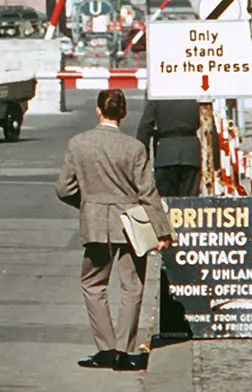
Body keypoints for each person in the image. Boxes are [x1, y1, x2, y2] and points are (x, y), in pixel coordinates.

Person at [55, 88, 173, 372]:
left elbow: (63, 188)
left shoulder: (78, 143)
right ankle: (124, 349)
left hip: (95, 221)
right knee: (132, 286)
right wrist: (162, 230)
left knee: (93, 284)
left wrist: (87, 203)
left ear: (98, 111)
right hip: (130, 223)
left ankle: (105, 348)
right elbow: (148, 192)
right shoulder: (134, 148)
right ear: (123, 113)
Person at [135, 98, 203, 198]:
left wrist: (143, 156)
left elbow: (145, 128)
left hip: (166, 153)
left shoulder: (159, 96)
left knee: (166, 202)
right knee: (190, 202)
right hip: (191, 153)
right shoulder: (194, 94)